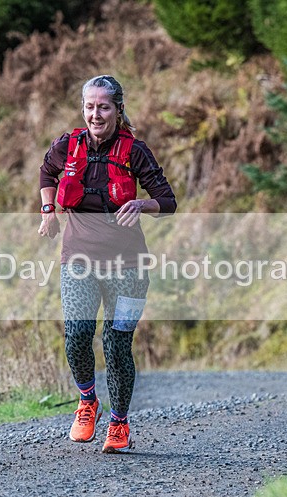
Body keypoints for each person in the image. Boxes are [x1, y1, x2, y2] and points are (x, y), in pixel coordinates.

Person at [37, 75, 176, 453]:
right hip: (77, 262)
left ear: (118, 109)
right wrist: (48, 211)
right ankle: (87, 402)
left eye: (103, 106)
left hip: (129, 268)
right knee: (77, 336)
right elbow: (47, 173)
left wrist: (141, 204)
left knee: (116, 345)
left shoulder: (136, 151)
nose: (95, 114)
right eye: (89, 106)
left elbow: (168, 201)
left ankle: (119, 424)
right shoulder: (68, 145)